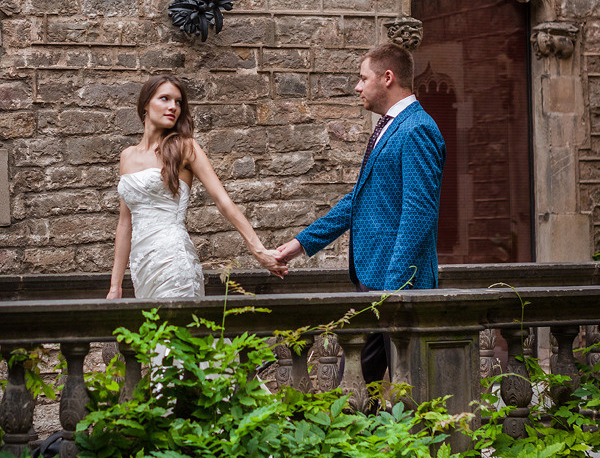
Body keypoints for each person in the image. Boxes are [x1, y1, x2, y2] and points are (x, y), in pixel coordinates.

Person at [274, 43, 446, 386]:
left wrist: (391, 291)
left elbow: (418, 213)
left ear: (387, 78)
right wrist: (300, 245)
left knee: (413, 389)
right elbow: (359, 201)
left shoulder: (417, 129)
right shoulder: (389, 126)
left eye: (362, 78)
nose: (356, 86)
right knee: (355, 387)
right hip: (373, 284)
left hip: (397, 288)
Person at [107, 74, 287, 300]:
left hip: (173, 260)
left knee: (176, 334)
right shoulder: (127, 156)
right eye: (165, 98)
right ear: (145, 104)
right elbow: (125, 223)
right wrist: (116, 286)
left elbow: (223, 202)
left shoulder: (185, 147)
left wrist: (258, 250)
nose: (173, 107)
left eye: (178, 102)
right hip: (142, 266)